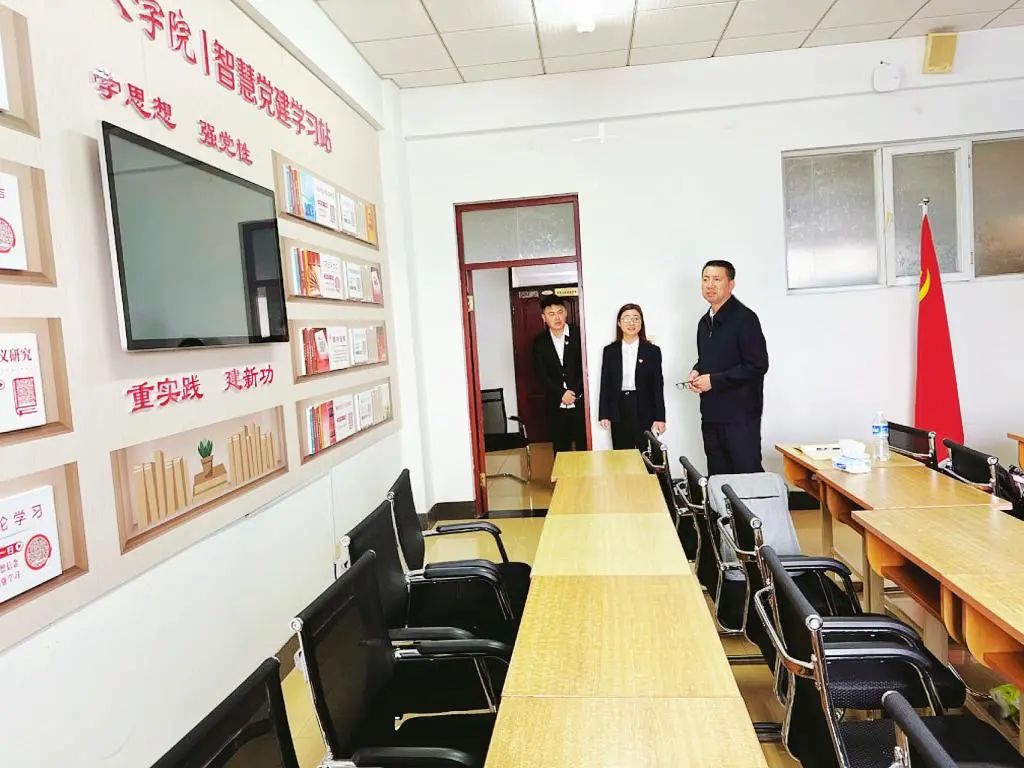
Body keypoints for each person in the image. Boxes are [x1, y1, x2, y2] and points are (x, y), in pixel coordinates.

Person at [686, 260, 769, 476]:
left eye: (717, 279)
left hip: (740, 417)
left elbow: (757, 365)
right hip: (711, 413)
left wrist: (713, 381)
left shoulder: (745, 318)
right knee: (718, 478)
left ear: (731, 284)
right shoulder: (704, 322)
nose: (710, 285)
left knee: (746, 477)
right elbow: (708, 359)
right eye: (705, 279)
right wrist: (697, 370)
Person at [598, 303, 666, 450]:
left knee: (646, 452)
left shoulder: (652, 351)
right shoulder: (610, 351)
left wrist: (660, 417)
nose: (631, 323)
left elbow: (657, 385)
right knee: (622, 453)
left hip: (644, 407)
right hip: (619, 407)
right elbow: (605, 383)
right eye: (627, 318)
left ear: (641, 323)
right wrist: (604, 414)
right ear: (619, 323)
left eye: (636, 318)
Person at [532, 295, 587, 454]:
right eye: (551, 314)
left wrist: (573, 392)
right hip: (556, 404)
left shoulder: (579, 335)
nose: (557, 317)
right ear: (544, 318)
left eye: (560, 312)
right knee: (561, 450)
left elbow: (585, 368)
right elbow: (541, 374)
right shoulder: (540, 342)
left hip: (580, 402)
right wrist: (561, 393)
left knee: (584, 447)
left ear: (566, 313)